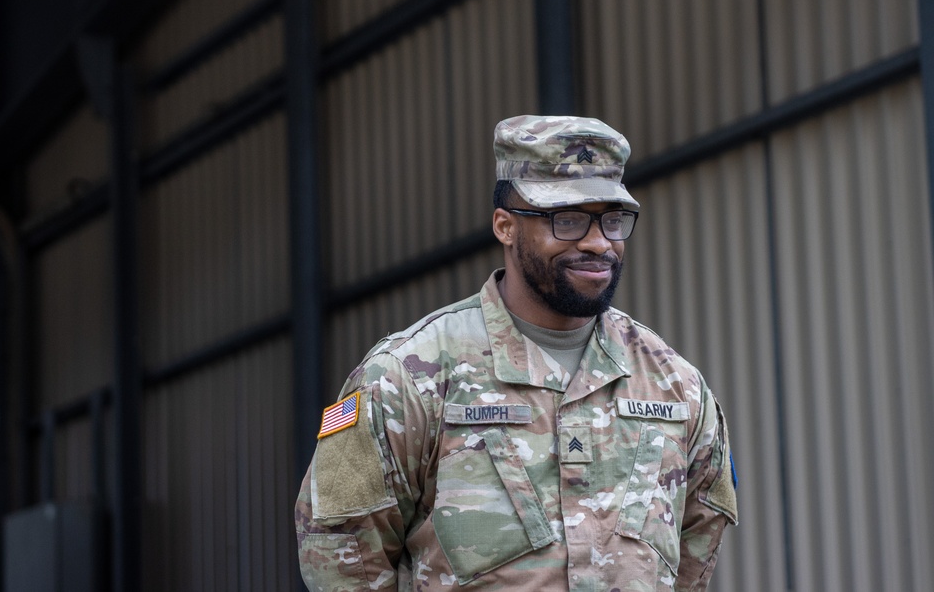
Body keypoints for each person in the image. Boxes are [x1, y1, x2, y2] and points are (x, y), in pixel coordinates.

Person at [295, 115, 738, 591]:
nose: (598, 242)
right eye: (566, 220)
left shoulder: (676, 384)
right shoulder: (407, 375)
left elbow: (695, 548)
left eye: (613, 219)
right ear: (505, 227)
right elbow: (343, 560)